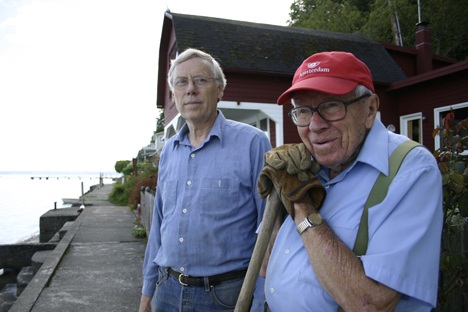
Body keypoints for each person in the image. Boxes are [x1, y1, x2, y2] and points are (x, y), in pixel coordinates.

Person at [262, 51, 443, 311]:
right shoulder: (301, 167)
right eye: (302, 110)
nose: (315, 125)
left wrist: (301, 205)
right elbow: (266, 267)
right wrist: (278, 206)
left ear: (370, 109)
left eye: (332, 105)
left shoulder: (410, 170)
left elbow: (371, 304)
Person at [139, 48, 272, 312]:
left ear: (220, 89)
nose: (190, 89)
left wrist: (257, 303)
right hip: (166, 291)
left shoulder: (254, 144)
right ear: (175, 95)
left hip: (225, 298)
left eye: (200, 80)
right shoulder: (169, 151)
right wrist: (147, 292)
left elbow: (269, 234)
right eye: (181, 82)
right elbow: (158, 228)